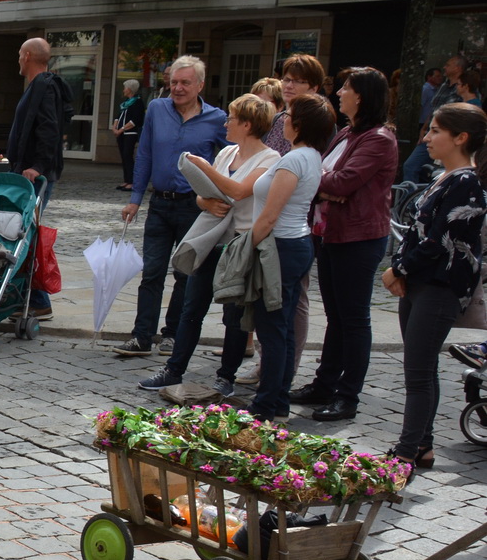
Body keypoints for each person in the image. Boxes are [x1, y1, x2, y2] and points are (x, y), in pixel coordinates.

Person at [137, 94, 279, 399]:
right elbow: (203, 194)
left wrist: (202, 165)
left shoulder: (270, 159)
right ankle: (173, 370)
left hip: (239, 245)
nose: (225, 123)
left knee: (234, 315)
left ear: (248, 124)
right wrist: (206, 200)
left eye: (231, 118)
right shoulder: (227, 154)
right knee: (192, 307)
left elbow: (240, 191)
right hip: (212, 240)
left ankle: (225, 376)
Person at [285, 68, 397, 421]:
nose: (339, 94)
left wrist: (321, 182)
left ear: (361, 95)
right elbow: (324, 175)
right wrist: (327, 186)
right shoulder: (348, 133)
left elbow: (345, 181)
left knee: (354, 318)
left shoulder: (379, 139)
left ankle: (348, 396)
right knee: (335, 315)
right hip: (329, 232)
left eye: (346, 88)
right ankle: (324, 384)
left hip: (359, 237)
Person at [383, 103, 487, 468]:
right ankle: (421, 445)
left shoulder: (466, 181)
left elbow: (438, 240)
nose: (427, 138)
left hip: (439, 287)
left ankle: (407, 451)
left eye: (436, 131)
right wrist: (401, 270)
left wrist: (397, 270)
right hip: (419, 283)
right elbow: (418, 233)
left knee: (418, 373)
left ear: (460, 138)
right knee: (422, 368)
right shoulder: (447, 177)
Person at [226, 93, 332, 421]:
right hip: (292, 244)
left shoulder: (294, 160)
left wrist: (245, 250)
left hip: (280, 247)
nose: (281, 120)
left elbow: (270, 216)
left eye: (287, 117)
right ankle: (277, 399)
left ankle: (266, 404)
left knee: (272, 329)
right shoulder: (310, 156)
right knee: (281, 328)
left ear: (298, 125)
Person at [117, 56, 228, 356]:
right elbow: (145, 155)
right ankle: (142, 336)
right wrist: (135, 198)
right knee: (152, 272)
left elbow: (231, 160)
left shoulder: (217, 119)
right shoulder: (157, 109)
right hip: (160, 204)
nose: (177, 88)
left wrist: (223, 195)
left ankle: (174, 335)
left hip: (195, 207)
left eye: (185, 83)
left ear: (200, 85)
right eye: (174, 82)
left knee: (185, 273)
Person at [5, 37, 71, 319]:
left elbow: (49, 129)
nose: (18, 59)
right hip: (28, 172)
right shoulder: (39, 86)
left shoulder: (44, 86)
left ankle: (39, 301)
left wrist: (37, 166)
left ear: (28, 55)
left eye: (20, 54)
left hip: (35, 174)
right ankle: (24, 298)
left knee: (26, 236)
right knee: (23, 234)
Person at [404, 55, 464, 182]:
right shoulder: (443, 86)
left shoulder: (463, 89)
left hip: (446, 136)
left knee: (438, 172)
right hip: (430, 132)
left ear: (458, 68)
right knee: (411, 166)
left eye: (448, 65)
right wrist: (424, 128)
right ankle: (413, 199)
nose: (444, 67)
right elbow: (433, 109)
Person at [111, 78, 146, 191]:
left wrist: (121, 129)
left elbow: (135, 120)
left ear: (130, 89)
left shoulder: (138, 102)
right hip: (121, 134)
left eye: (125, 87)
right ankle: (126, 180)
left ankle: (132, 181)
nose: (123, 90)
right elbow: (118, 116)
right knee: (123, 157)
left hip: (130, 133)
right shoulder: (125, 103)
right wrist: (114, 126)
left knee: (128, 155)